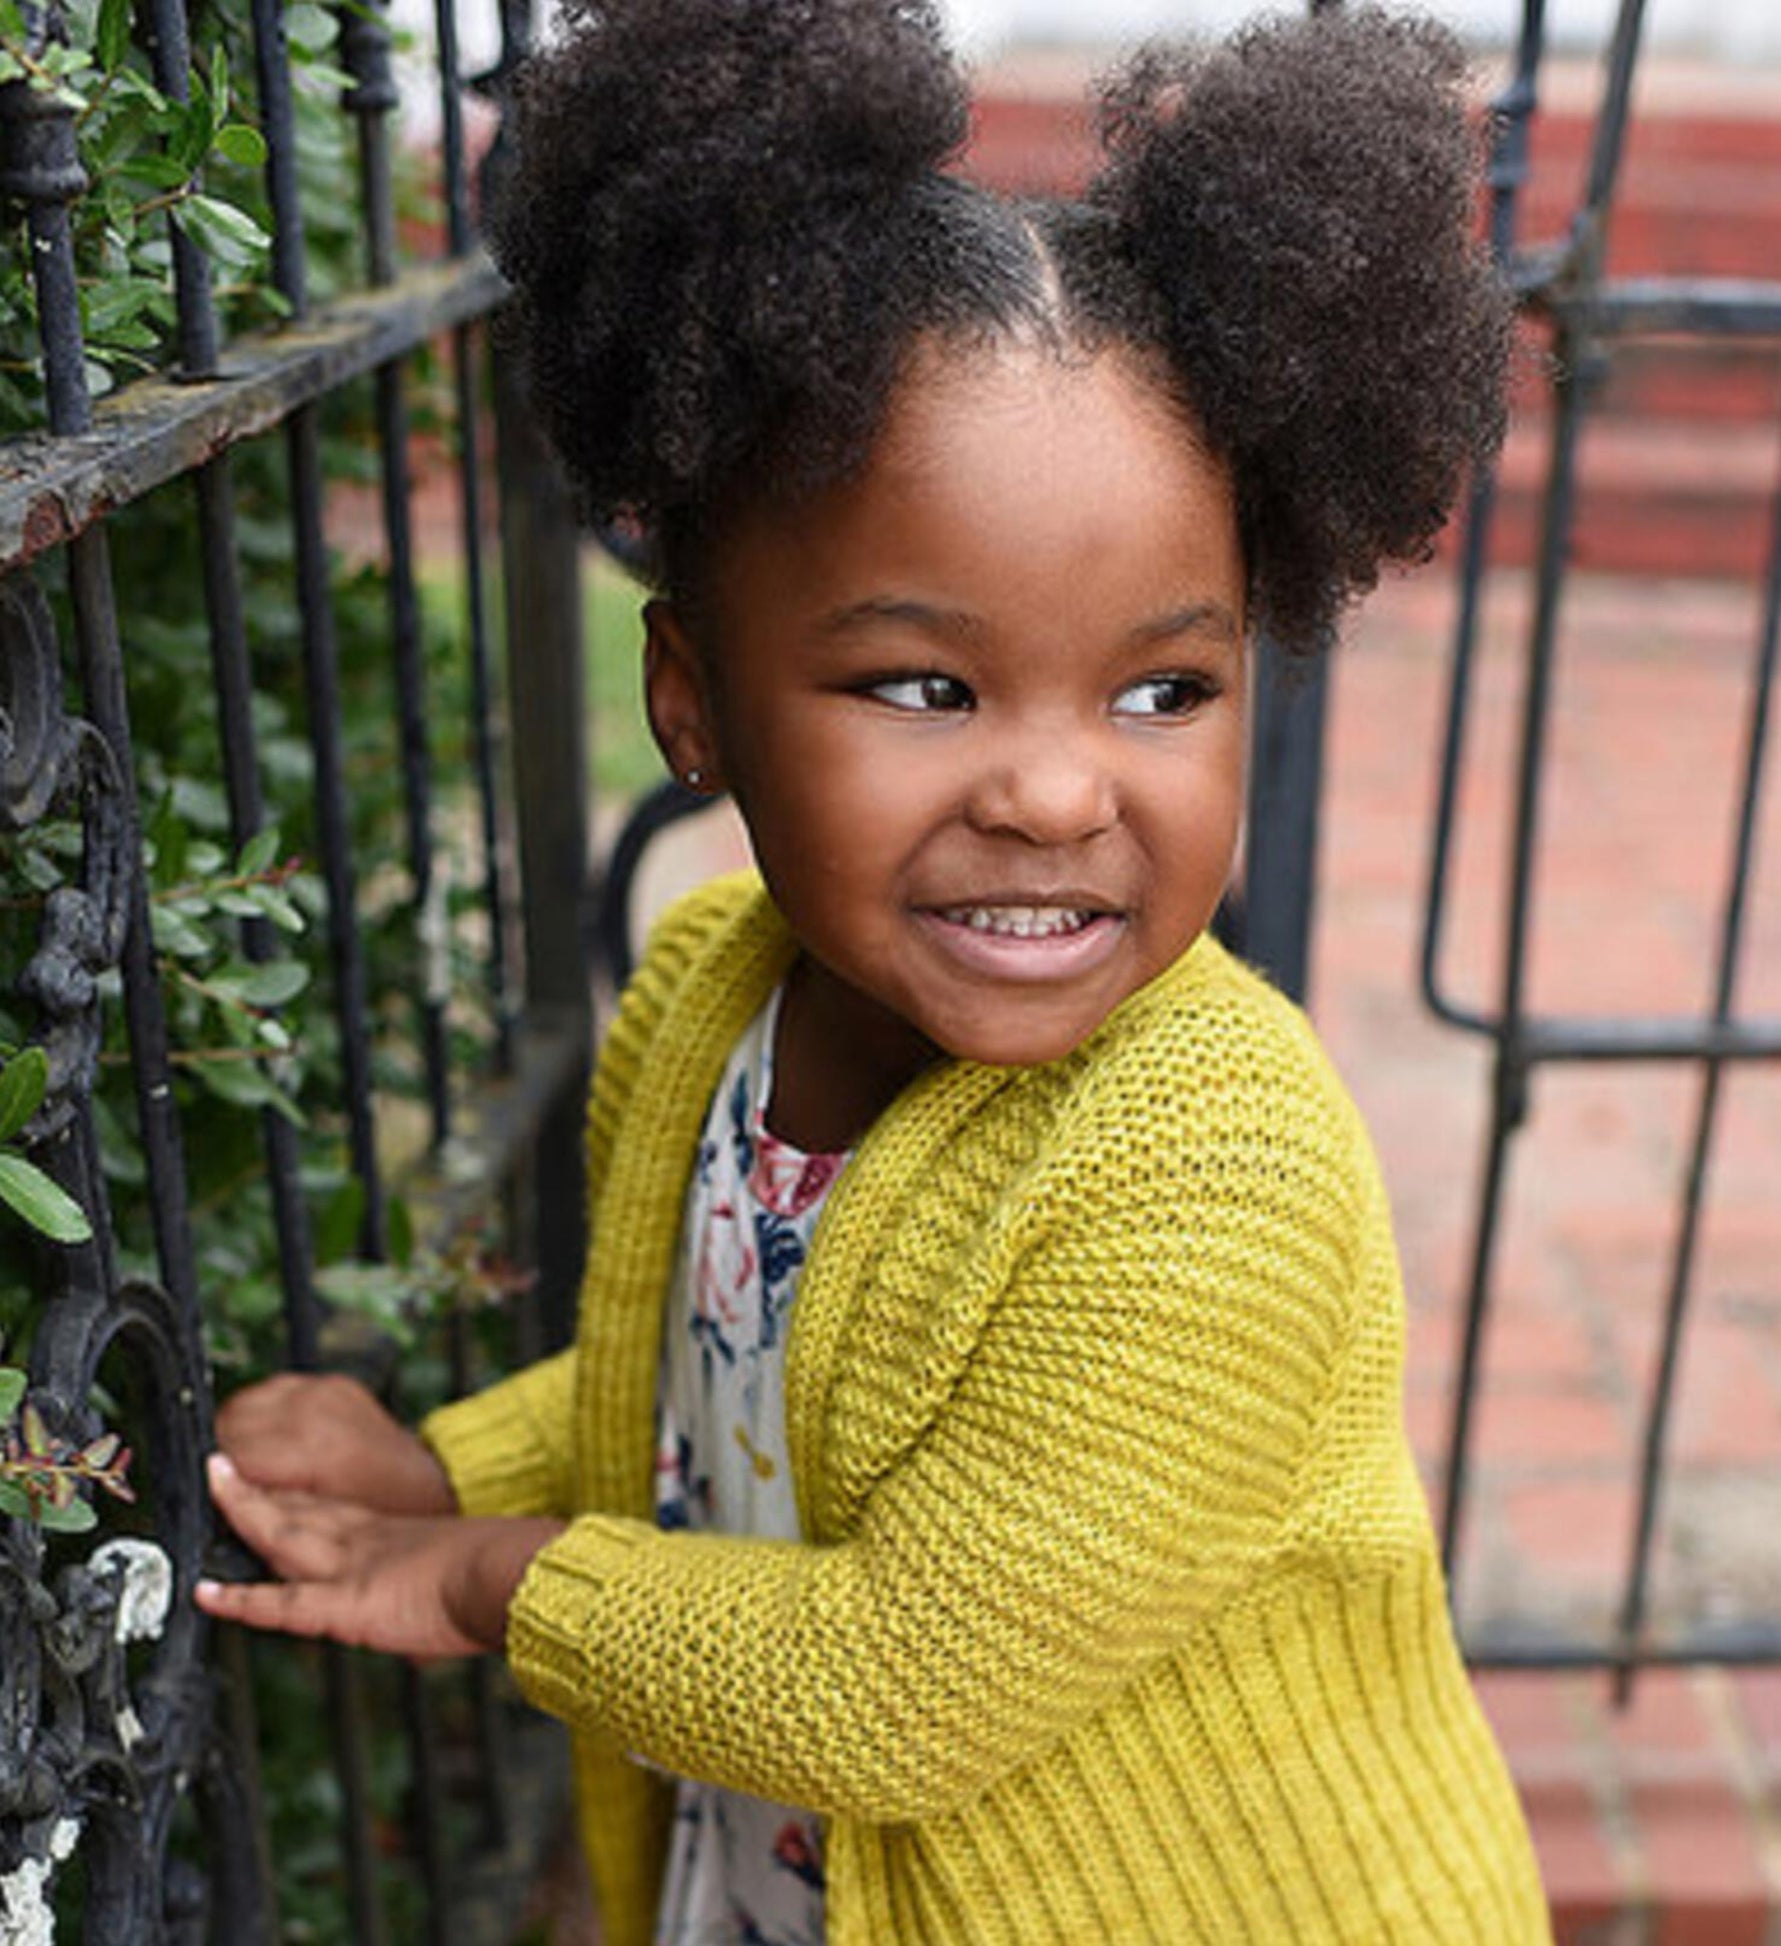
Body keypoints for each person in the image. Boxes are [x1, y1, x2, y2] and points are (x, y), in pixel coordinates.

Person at [199, 0, 1549, 1939]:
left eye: (1165, 686)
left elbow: (899, 1680)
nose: (1056, 787)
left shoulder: (1210, 1166)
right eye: (923, 685)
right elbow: (717, 1391)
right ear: (696, 702)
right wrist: (439, 1461)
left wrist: (488, 1570)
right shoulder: (703, 998)